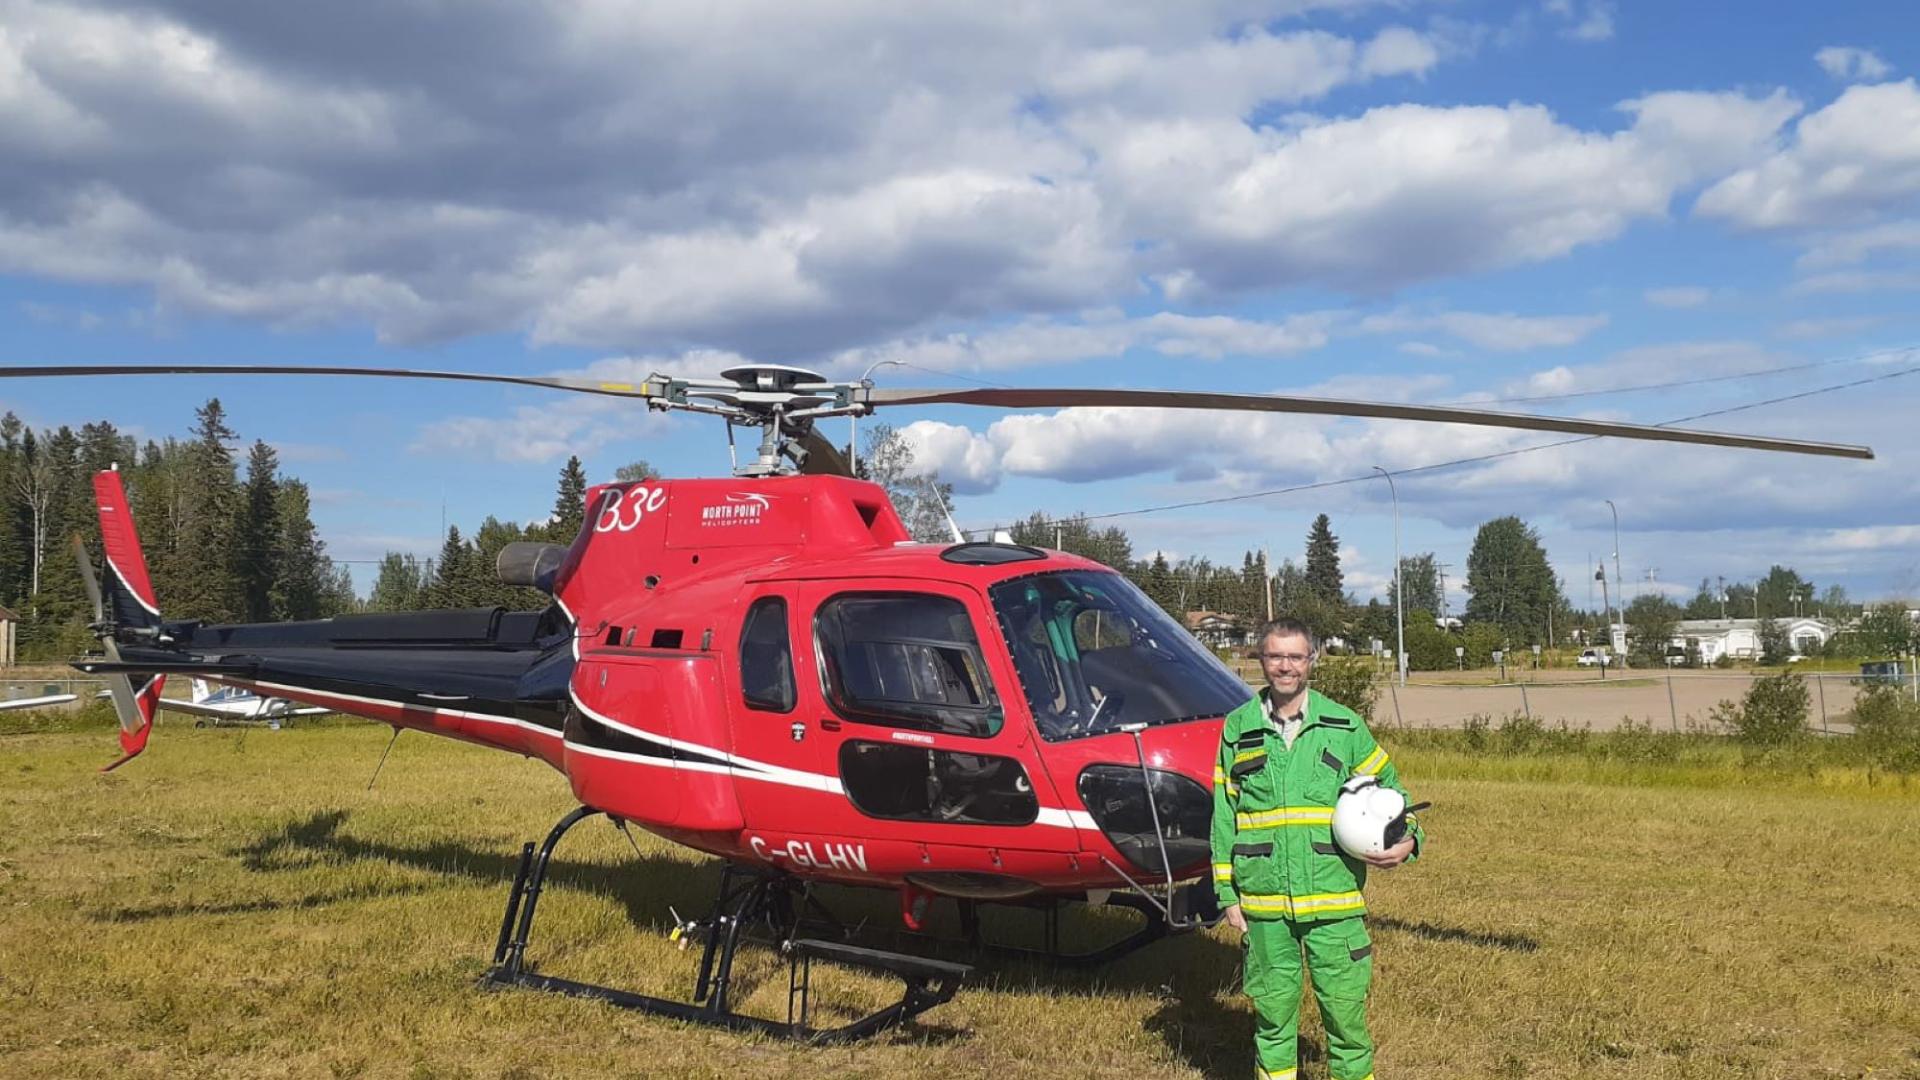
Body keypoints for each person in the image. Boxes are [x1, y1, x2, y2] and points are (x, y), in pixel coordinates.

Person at [1211, 618, 1425, 1080]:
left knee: (1347, 1026)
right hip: (1265, 907)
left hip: (1335, 906)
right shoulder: (1237, 729)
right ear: (1260, 660)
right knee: (1272, 1022)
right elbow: (1224, 817)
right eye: (1274, 656)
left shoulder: (1343, 726)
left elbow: (1394, 793)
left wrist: (1408, 841)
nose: (1285, 666)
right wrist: (1228, 895)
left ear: (1311, 660)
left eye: (1294, 657)